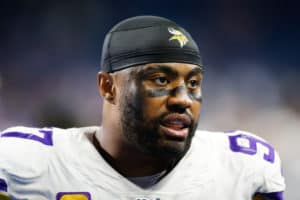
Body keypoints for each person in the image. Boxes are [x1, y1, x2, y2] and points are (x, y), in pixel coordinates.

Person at [0, 16, 285, 200]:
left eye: (194, 83)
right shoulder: (23, 164)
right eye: (160, 80)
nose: (183, 99)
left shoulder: (242, 168)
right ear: (107, 87)